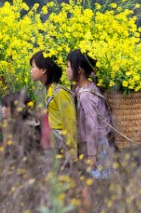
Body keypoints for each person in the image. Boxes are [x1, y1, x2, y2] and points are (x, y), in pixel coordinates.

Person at [65, 49, 113, 179]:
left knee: (99, 183)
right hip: (98, 144)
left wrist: (92, 155)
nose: (66, 70)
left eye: (68, 66)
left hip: (97, 146)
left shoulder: (86, 95)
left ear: (79, 70)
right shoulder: (85, 88)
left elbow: (92, 127)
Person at [30, 51, 77, 164]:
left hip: (63, 146)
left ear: (43, 70)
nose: (31, 71)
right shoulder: (49, 91)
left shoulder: (59, 92)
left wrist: (72, 152)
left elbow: (70, 122)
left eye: (33, 67)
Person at [0, 91, 42, 156]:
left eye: (5, 106)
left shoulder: (28, 130)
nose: (2, 109)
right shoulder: (18, 125)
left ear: (15, 108)